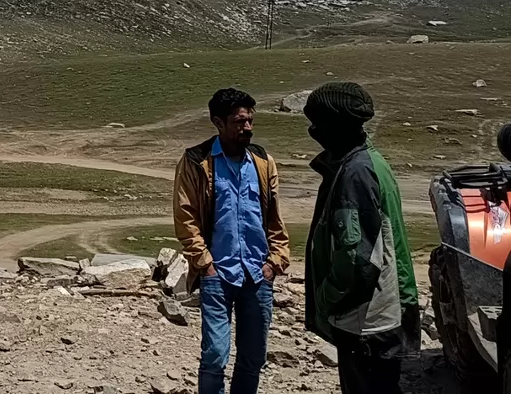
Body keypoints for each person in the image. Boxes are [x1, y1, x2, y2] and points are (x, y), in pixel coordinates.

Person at [303, 82, 418, 394]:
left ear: (336, 125)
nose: (313, 131)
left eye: (317, 123)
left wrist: (325, 299)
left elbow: (356, 259)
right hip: (380, 314)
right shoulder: (372, 161)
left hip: (366, 321)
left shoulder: (355, 173)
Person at [173, 88, 290, 394]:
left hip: (257, 273)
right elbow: (186, 218)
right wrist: (204, 264)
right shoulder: (197, 162)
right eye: (239, 122)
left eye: (250, 120)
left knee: (253, 357)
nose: (247, 128)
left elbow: (274, 217)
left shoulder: (263, 162)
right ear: (218, 122)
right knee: (214, 355)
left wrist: (275, 261)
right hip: (218, 273)